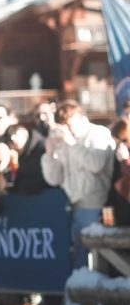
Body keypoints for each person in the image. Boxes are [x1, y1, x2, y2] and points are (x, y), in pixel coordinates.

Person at [41, 100, 115, 268]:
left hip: (95, 206)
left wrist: (71, 143)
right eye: (62, 123)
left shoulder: (98, 133)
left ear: (80, 117)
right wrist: (49, 153)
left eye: (69, 121)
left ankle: (96, 291)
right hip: (70, 206)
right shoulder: (64, 139)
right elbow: (54, 179)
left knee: (94, 258)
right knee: (76, 259)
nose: (66, 127)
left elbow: (96, 164)